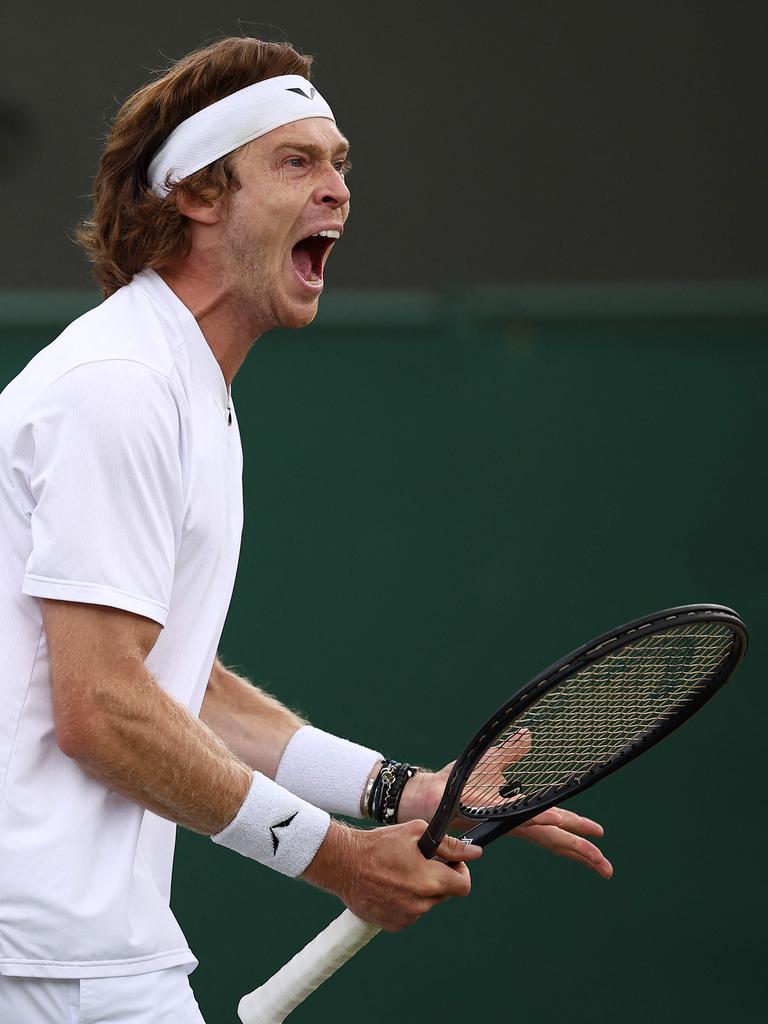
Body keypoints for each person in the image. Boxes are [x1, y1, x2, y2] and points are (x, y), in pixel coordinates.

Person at [0, 36, 612, 1023]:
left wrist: (393, 792)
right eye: (297, 161)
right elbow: (103, 707)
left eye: (340, 162)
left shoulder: (180, 387)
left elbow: (169, 682)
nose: (338, 189)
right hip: (38, 961)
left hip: (71, 949)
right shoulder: (118, 389)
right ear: (198, 194)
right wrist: (335, 861)